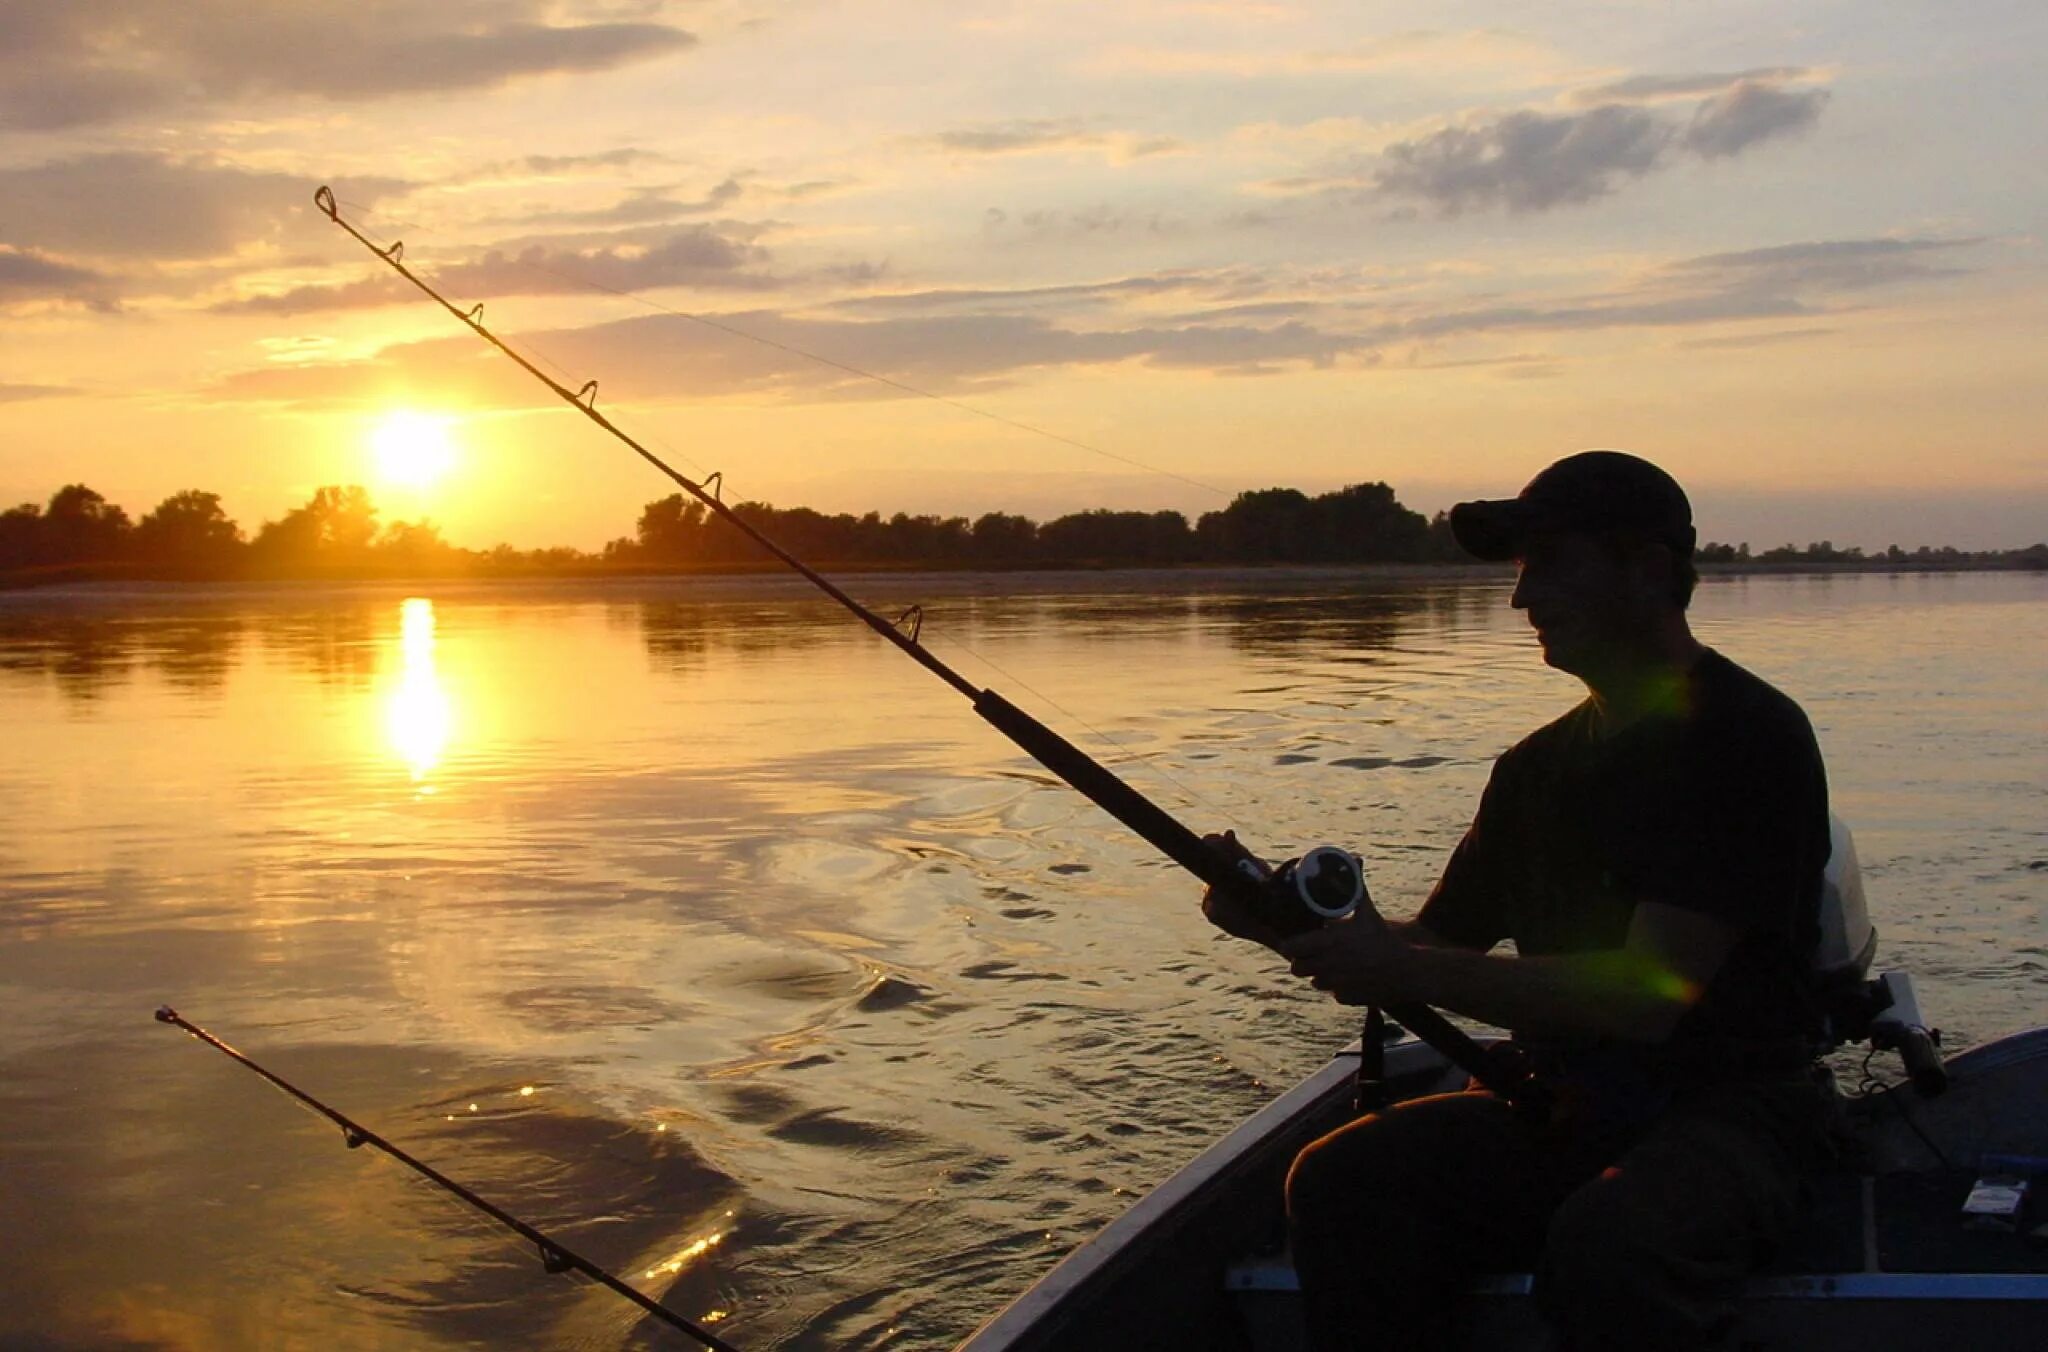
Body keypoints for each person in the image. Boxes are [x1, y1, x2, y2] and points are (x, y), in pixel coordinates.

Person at [1202, 450, 1838, 1351]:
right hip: (1561, 1101)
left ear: (1648, 568)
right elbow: (1430, 942)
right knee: (1343, 1179)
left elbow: (1646, 996)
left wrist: (1399, 963)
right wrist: (1285, 923)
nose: (1520, 598)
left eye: (1550, 564)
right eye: (1518, 569)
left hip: (1735, 1110)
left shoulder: (1746, 738)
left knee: (1614, 1242)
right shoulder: (1533, 769)